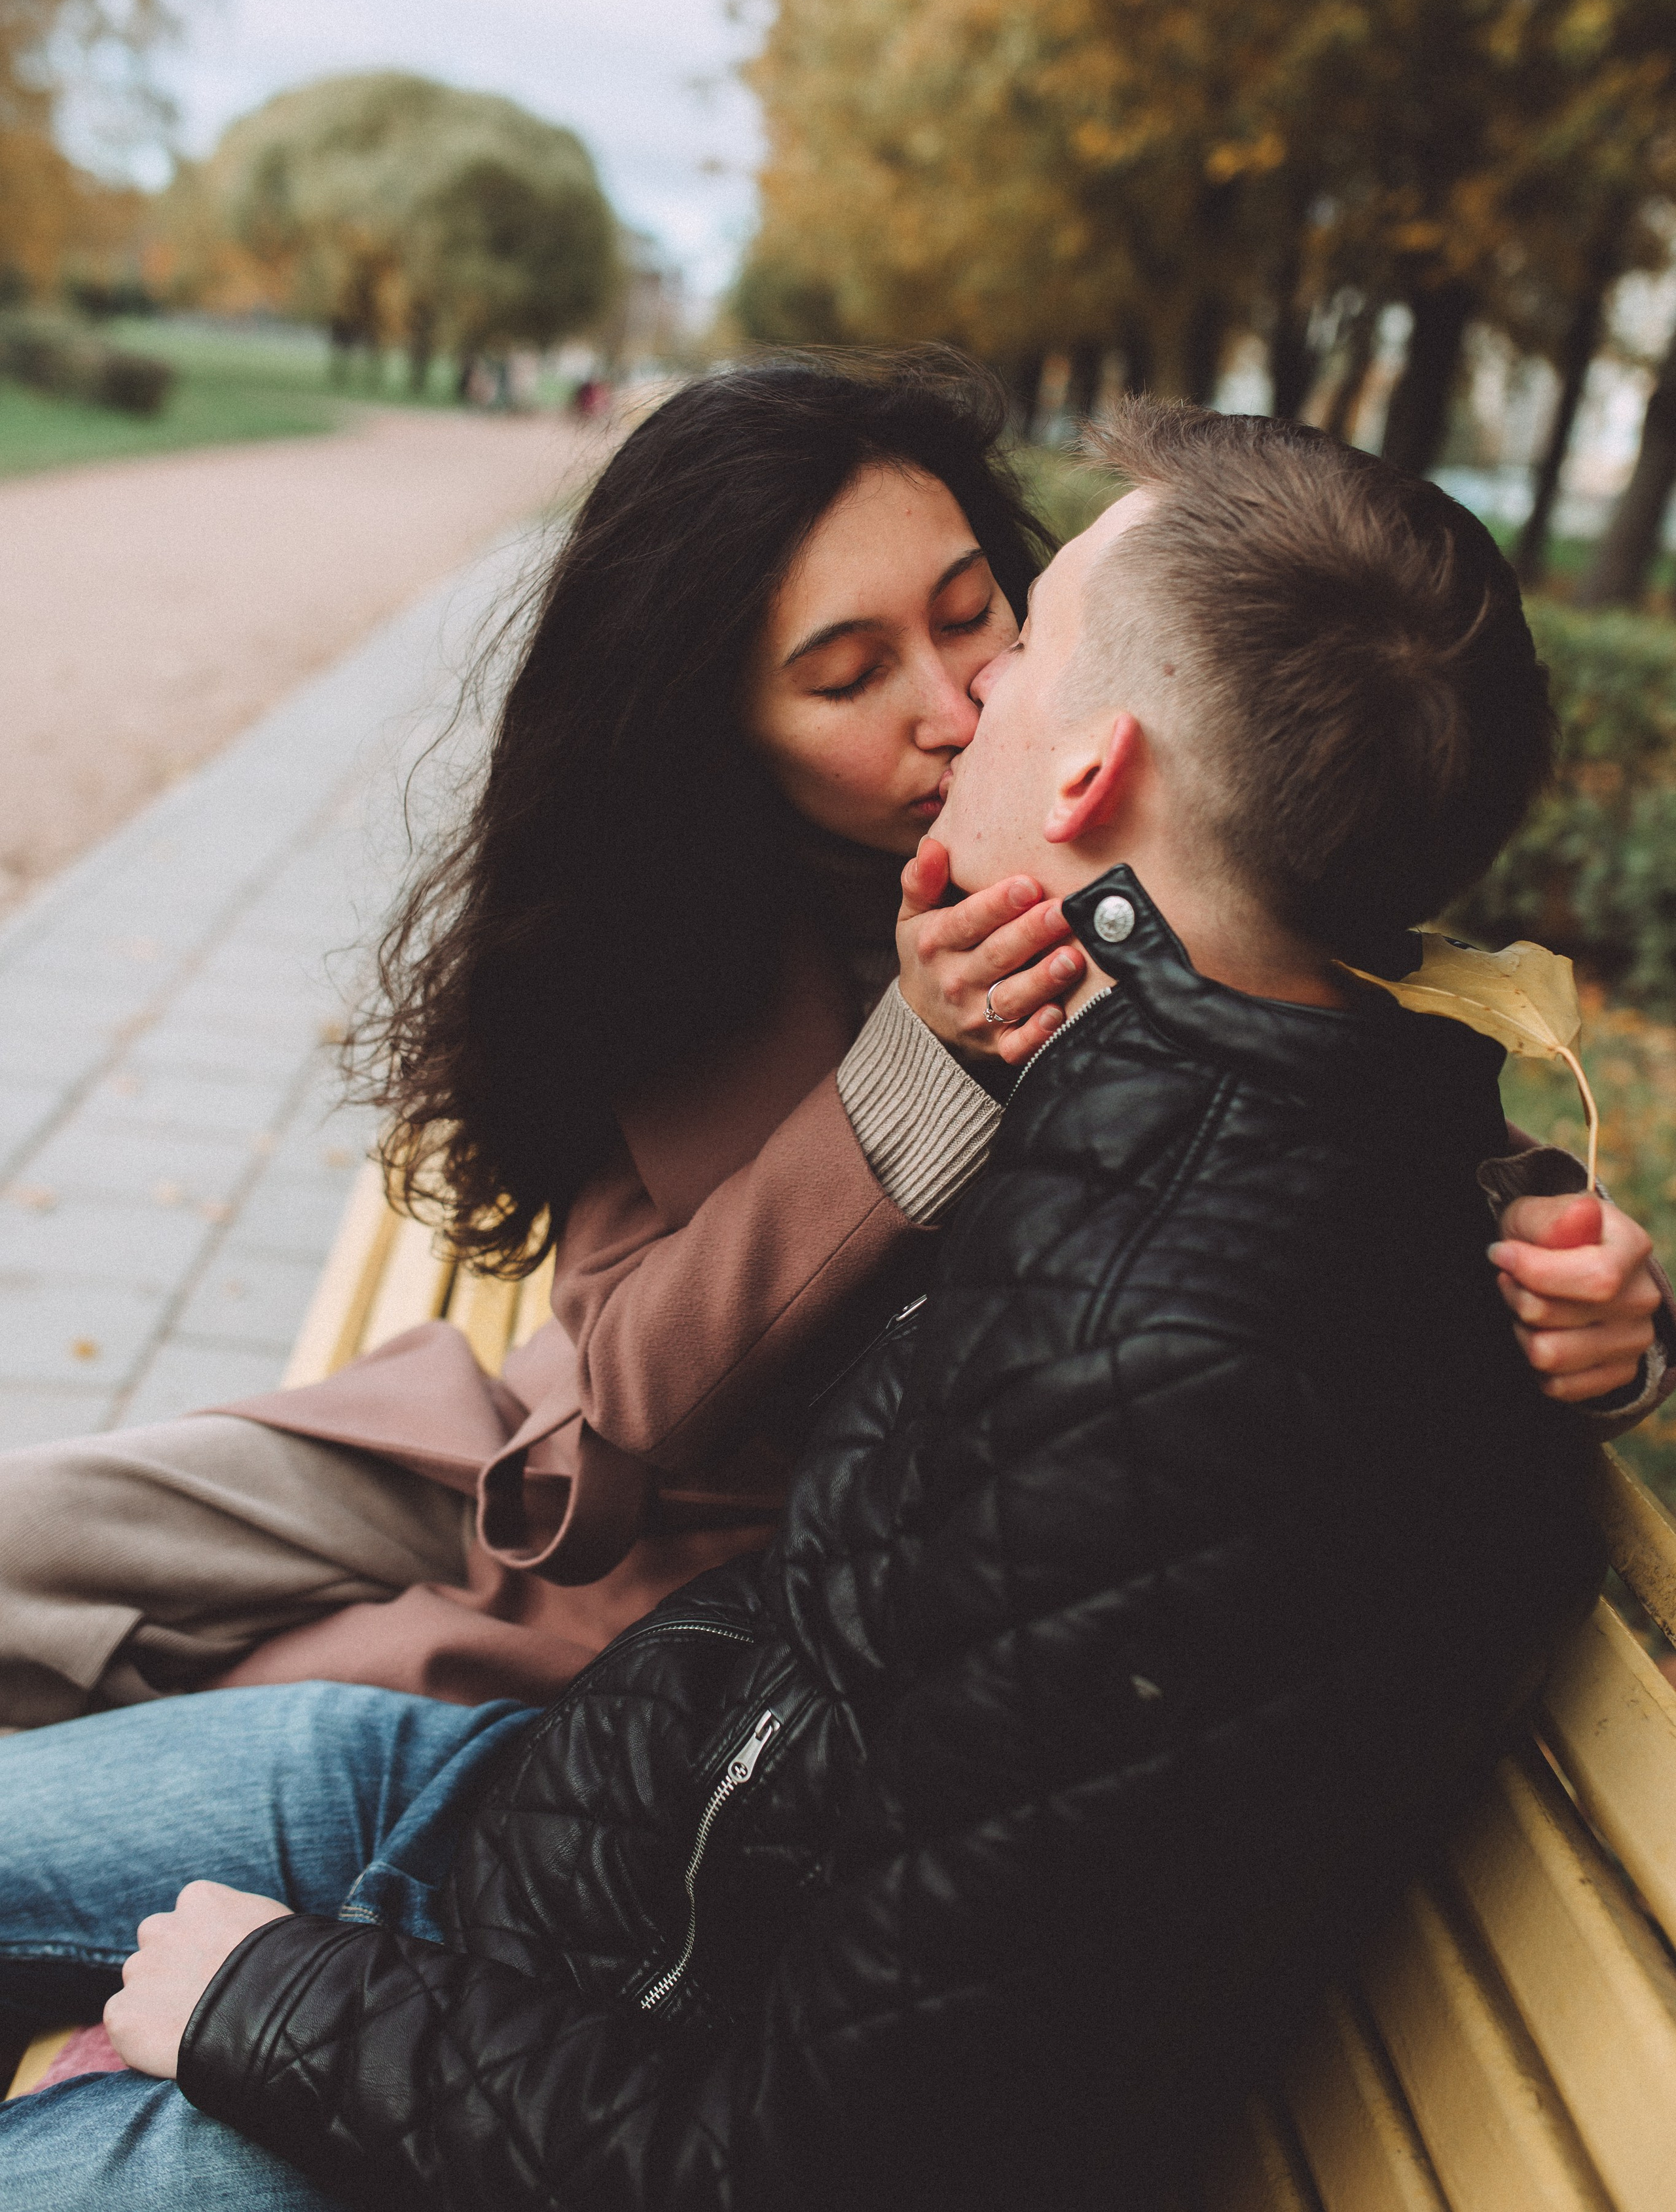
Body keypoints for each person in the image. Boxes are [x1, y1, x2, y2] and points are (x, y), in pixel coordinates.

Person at [0, 402, 1628, 2205]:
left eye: (994, 622)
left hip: (595, 1827)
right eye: (849, 671)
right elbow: (631, 1398)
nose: (958, 702)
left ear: (1090, 756)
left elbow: (1292, 1245)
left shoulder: (1161, 1259)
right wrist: (927, 1058)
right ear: (732, 739)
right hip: (584, 1713)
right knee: (43, 1547)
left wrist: (1562, 1297)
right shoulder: (780, 930)